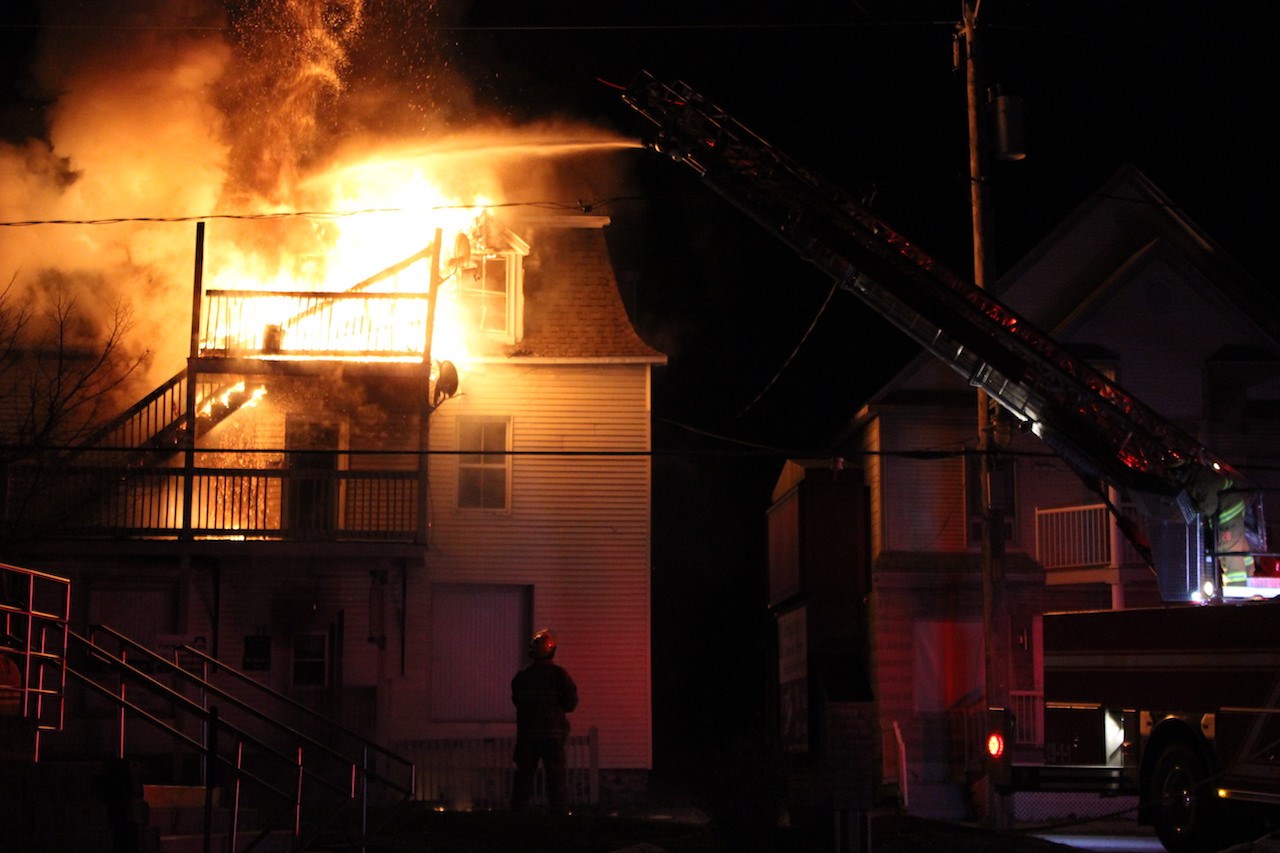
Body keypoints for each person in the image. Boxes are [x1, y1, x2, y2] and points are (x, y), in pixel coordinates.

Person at [510, 629, 578, 813]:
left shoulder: (522, 677)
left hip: (527, 736)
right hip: (553, 736)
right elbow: (571, 704)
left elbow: (518, 701)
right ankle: (559, 816)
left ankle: (518, 815)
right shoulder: (559, 675)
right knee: (556, 778)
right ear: (552, 650)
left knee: (524, 776)